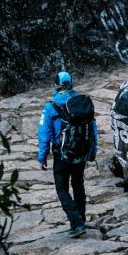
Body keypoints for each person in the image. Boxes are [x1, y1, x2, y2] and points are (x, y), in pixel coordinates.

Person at [37, 70, 97, 238]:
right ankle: (82, 219)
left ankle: (76, 222)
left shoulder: (50, 107)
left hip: (61, 155)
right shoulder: (82, 103)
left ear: (56, 86)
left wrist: (42, 157)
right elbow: (93, 128)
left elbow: (44, 134)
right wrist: (93, 151)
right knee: (78, 184)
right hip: (81, 152)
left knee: (62, 188)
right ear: (71, 83)